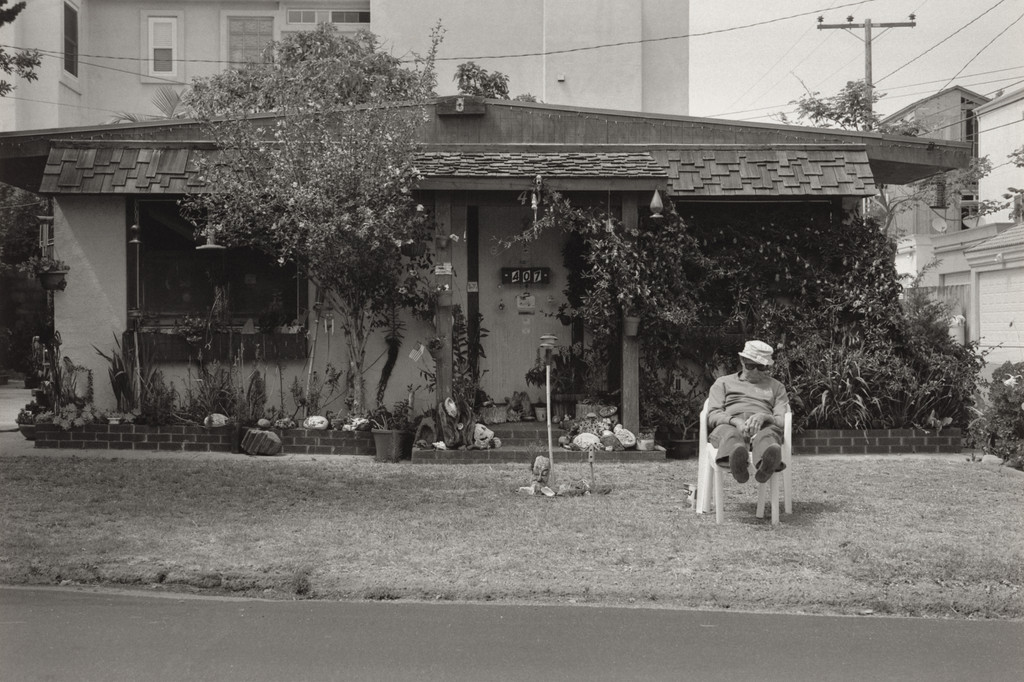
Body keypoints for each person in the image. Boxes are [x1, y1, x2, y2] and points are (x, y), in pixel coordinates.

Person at [706, 340, 789, 483]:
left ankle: (765, 466)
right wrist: (735, 421)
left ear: (767, 366)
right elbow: (713, 415)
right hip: (729, 425)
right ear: (742, 360)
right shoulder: (723, 383)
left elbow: (782, 420)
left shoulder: (777, 387)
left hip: (764, 427)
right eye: (750, 366)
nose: (756, 371)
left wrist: (765, 417)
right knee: (731, 435)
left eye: (761, 367)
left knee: (769, 435)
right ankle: (736, 461)